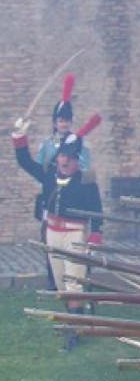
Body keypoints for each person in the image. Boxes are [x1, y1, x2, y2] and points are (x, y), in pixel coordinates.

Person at [13, 130, 102, 349]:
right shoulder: (49, 175)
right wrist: (19, 137)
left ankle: (73, 332)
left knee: (75, 282)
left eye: (70, 157)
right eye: (62, 156)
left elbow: (96, 211)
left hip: (75, 234)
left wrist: (95, 234)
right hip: (52, 233)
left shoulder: (87, 181)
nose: (65, 161)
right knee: (62, 283)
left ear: (77, 160)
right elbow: (25, 161)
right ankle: (75, 321)